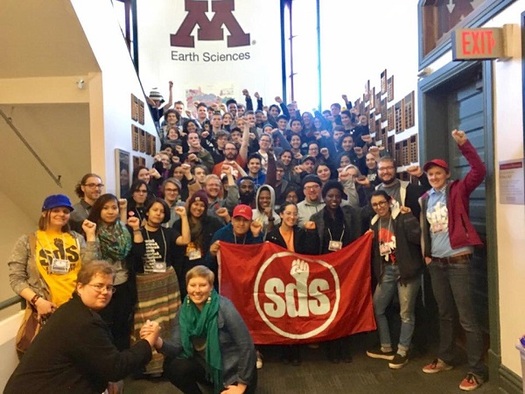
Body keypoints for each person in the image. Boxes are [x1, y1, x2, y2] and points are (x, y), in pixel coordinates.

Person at [5, 261, 160, 394]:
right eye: (98, 286)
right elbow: (116, 367)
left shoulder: (71, 309)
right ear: (79, 287)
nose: (105, 292)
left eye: (109, 287)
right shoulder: (83, 321)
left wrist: (107, 378)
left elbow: (98, 362)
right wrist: (147, 342)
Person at [420, 130, 487, 391]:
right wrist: (426, 255)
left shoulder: (459, 190)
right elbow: (424, 230)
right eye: (430, 174)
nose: (434, 177)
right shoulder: (425, 199)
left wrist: (464, 144)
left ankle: (477, 371)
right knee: (445, 314)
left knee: (467, 318)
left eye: (438, 173)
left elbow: (479, 170)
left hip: (459, 262)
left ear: (447, 175)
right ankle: (447, 358)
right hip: (436, 264)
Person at [141, 265, 257, 394]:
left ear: (211, 287)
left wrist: (241, 385)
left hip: (233, 372)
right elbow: (176, 347)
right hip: (208, 368)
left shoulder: (224, 307)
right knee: (173, 366)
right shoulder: (184, 311)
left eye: (202, 285)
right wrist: (156, 339)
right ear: (187, 287)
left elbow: (247, 346)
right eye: (192, 285)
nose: (197, 290)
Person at [8, 194, 99, 325]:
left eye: (66, 211)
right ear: (45, 213)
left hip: (78, 306)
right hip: (47, 310)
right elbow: (16, 279)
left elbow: (90, 269)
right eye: (56, 210)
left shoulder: (76, 238)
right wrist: (37, 301)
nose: (61, 214)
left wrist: (90, 236)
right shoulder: (27, 241)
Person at [129, 198, 190, 376]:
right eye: (155, 210)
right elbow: (137, 254)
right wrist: (136, 230)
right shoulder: (136, 231)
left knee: (168, 321)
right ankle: (147, 366)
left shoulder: (168, 232)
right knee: (145, 321)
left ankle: (166, 364)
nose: (158, 213)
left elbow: (185, 240)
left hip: (166, 282)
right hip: (145, 283)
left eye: (162, 211)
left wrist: (184, 216)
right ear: (147, 212)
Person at [310, 180, 367, 363]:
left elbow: (367, 211)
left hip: (346, 267)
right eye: (330, 196)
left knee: (344, 307)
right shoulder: (316, 219)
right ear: (323, 198)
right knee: (328, 309)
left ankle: (344, 346)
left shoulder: (350, 214)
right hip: (325, 269)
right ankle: (331, 347)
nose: (334, 199)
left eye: (336, 196)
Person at [366, 190, 424, 369]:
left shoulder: (402, 217)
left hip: (406, 271)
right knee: (378, 307)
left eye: (382, 203)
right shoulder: (374, 223)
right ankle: (386, 346)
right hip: (387, 271)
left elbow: (417, 237)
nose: (379, 207)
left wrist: (410, 217)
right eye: (375, 204)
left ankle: (402, 351)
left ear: (390, 201)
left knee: (406, 313)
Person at [266, 202, 319, 366]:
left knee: (296, 314)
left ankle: (295, 349)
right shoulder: (271, 235)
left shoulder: (301, 232)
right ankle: (284, 349)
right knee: (283, 315)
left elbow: (312, 253)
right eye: (288, 213)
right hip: (280, 280)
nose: (292, 217)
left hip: (299, 278)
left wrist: (311, 233)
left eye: (295, 214)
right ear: (281, 214)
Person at [87, 193, 135, 350]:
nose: (110, 211)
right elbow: (90, 262)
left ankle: (121, 362)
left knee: (122, 326)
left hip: (124, 284)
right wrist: (91, 236)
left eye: (114, 208)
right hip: (102, 286)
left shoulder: (125, 230)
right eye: (105, 208)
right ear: (98, 210)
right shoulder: (93, 230)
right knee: (104, 326)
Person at [173, 190, 225, 299]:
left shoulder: (213, 222)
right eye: (195, 204)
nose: (198, 208)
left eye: (202, 205)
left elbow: (226, 233)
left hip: (206, 266)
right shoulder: (179, 224)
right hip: (184, 268)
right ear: (190, 205)